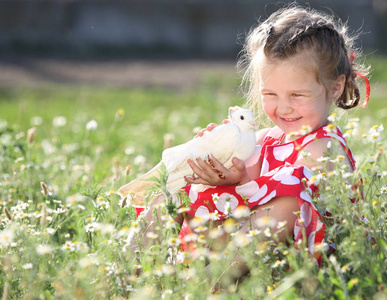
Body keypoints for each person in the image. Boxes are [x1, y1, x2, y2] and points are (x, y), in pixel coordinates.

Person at [122, 4, 370, 286]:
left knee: (291, 195)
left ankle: (205, 283)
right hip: (246, 248)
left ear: (335, 87)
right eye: (270, 94)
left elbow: (290, 199)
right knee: (180, 186)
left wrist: (244, 184)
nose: (283, 107)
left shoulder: (324, 146)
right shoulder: (265, 139)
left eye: (297, 95)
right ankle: (127, 271)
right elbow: (251, 190)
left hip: (301, 256)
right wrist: (223, 171)